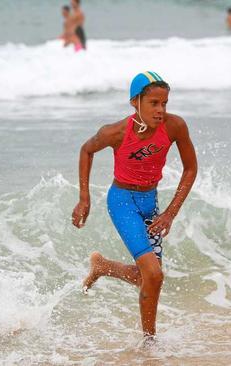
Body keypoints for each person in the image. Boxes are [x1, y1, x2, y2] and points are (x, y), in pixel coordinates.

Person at [73, 72, 198, 342]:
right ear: (135, 102)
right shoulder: (116, 132)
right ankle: (149, 342)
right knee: (154, 274)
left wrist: (169, 213)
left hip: (149, 203)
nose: (161, 110)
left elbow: (190, 169)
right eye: (153, 103)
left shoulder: (175, 127)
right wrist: (84, 197)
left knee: (148, 279)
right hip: (122, 202)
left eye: (164, 103)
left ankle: (103, 267)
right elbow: (86, 150)